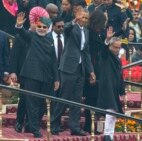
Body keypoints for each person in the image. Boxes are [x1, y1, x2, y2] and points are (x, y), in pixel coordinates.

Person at [51, 7, 95, 136]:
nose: (84, 20)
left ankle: (74, 126)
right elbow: (65, 28)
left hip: (80, 69)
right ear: (77, 16)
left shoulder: (86, 31)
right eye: (83, 17)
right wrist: (74, 21)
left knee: (76, 99)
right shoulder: (71, 27)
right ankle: (54, 123)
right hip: (68, 67)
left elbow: (86, 52)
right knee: (65, 96)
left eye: (86, 18)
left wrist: (90, 71)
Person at [15, 12, 59, 138]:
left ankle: (31, 124)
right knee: (32, 103)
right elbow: (21, 33)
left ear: (48, 28)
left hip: (47, 78)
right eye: (39, 26)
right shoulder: (32, 36)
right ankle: (35, 129)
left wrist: (56, 78)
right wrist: (19, 26)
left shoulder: (50, 39)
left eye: (44, 27)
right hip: (31, 76)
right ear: (36, 26)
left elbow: (54, 61)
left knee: (42, 104)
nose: (41, 29)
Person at [97, 31, 126, 141]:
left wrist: (122, 92)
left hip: (114, 87)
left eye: (119, 48)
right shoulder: (106, 55)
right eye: (115, 47)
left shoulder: (117, 59)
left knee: (113, 112)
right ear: (110, 46)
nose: (117, 50)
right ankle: (108, 135)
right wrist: (107, 40)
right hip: (107, 87)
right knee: (111, 110)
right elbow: (103, 50)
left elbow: (120, 76)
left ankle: (110, 135)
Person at [83, 10, 106, 134]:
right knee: (91, 98)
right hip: (91, 68)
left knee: (96, 98)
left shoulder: (98, 33)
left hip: (98, 68)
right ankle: (88, 124)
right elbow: (94, 50)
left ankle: (93, 124)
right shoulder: (90, 33)